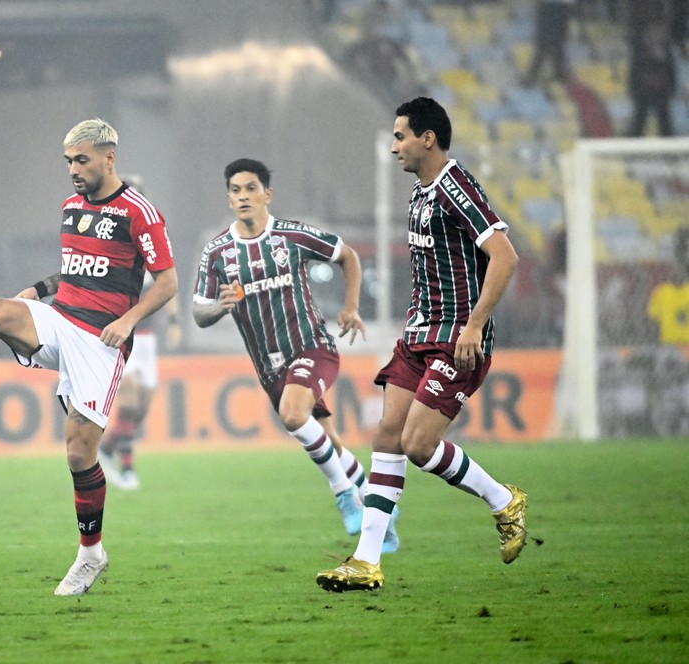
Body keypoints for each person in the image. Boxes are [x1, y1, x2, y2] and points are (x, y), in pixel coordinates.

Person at [0, 118, 178, 596]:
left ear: (109, 158)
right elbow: (73, 271)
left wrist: (128, 321)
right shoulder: (71, 207)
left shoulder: (139, 212)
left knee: (79, 452)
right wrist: (39, 290)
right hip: (61, 318)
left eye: (81, 160)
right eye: (68, 161)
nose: (73, 169)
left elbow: (167, 282)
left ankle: (91, 555)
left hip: (101, 340)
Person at [316, 97, 527, 592]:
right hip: (417, 337)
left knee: (418, 445)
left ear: (426, 138)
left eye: (400, 136)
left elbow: (505, 257)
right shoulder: (420, 192)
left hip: (456, 341)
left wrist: (474, 326)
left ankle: (504, 500)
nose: (394, 148)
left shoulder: (456, 186)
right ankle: (366, 561)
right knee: (387, 437)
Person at [192, 158, 400, 547]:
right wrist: (218, 307)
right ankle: (379, 506)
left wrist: (351, 307)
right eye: (235, 190)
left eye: (251, 188)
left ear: (267, 194)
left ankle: (345, 496)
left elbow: (347, 256)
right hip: (270, 368)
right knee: (328, 440)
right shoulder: (217, 253)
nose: (243, 196)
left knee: (292, 414)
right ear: (229, 198)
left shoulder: (291, 236)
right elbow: (198, 312)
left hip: (312, 346)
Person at [97, 175, 182, 490]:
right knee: (129, 398)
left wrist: (173, 322)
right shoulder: (107, 242)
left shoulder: (152, 240)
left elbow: (167, 282)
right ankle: (128, 469)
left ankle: (106, 448)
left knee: (141, 406)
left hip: (147, 337)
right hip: (120, 335)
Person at [625, 0, 677, 137]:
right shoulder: (639, 38)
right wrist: (633, 85)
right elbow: (635, 63)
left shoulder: (664, 38)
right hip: (644, 85)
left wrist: (672, 84)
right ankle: (630, 146)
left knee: (665, 123)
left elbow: (670, 63)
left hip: (661, 85)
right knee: (639, 122)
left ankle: (669, 148)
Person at [523, 0, 574, 85]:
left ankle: (559, 72)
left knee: (556, 43)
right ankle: (534, 74)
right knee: (545, 43)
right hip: (550, 6)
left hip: (560, 6)